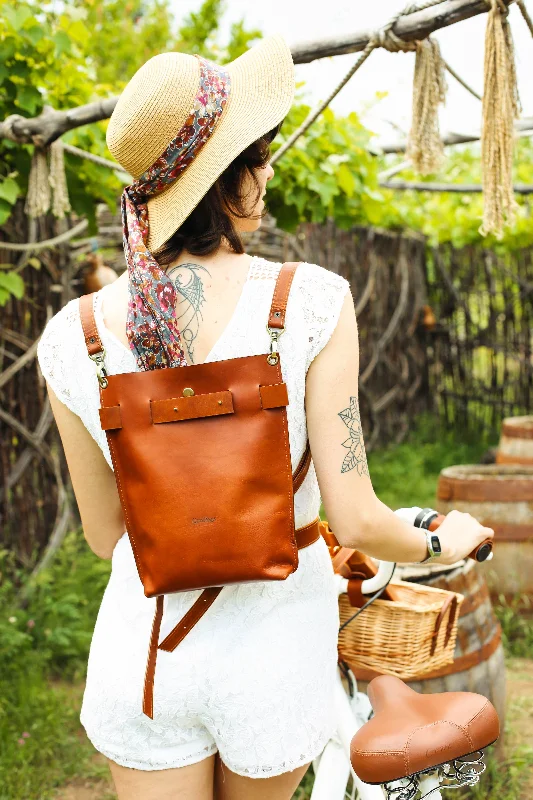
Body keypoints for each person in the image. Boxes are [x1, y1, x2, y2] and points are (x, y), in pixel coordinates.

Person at [36, 34, 494, 800]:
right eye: (260, 154)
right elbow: (357, 518)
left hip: (142, 659)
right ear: (225, 176)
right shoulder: (309, 302)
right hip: (273, 652)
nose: (270, 169)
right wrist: (439, 537)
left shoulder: (69, 336)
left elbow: (105, 535)